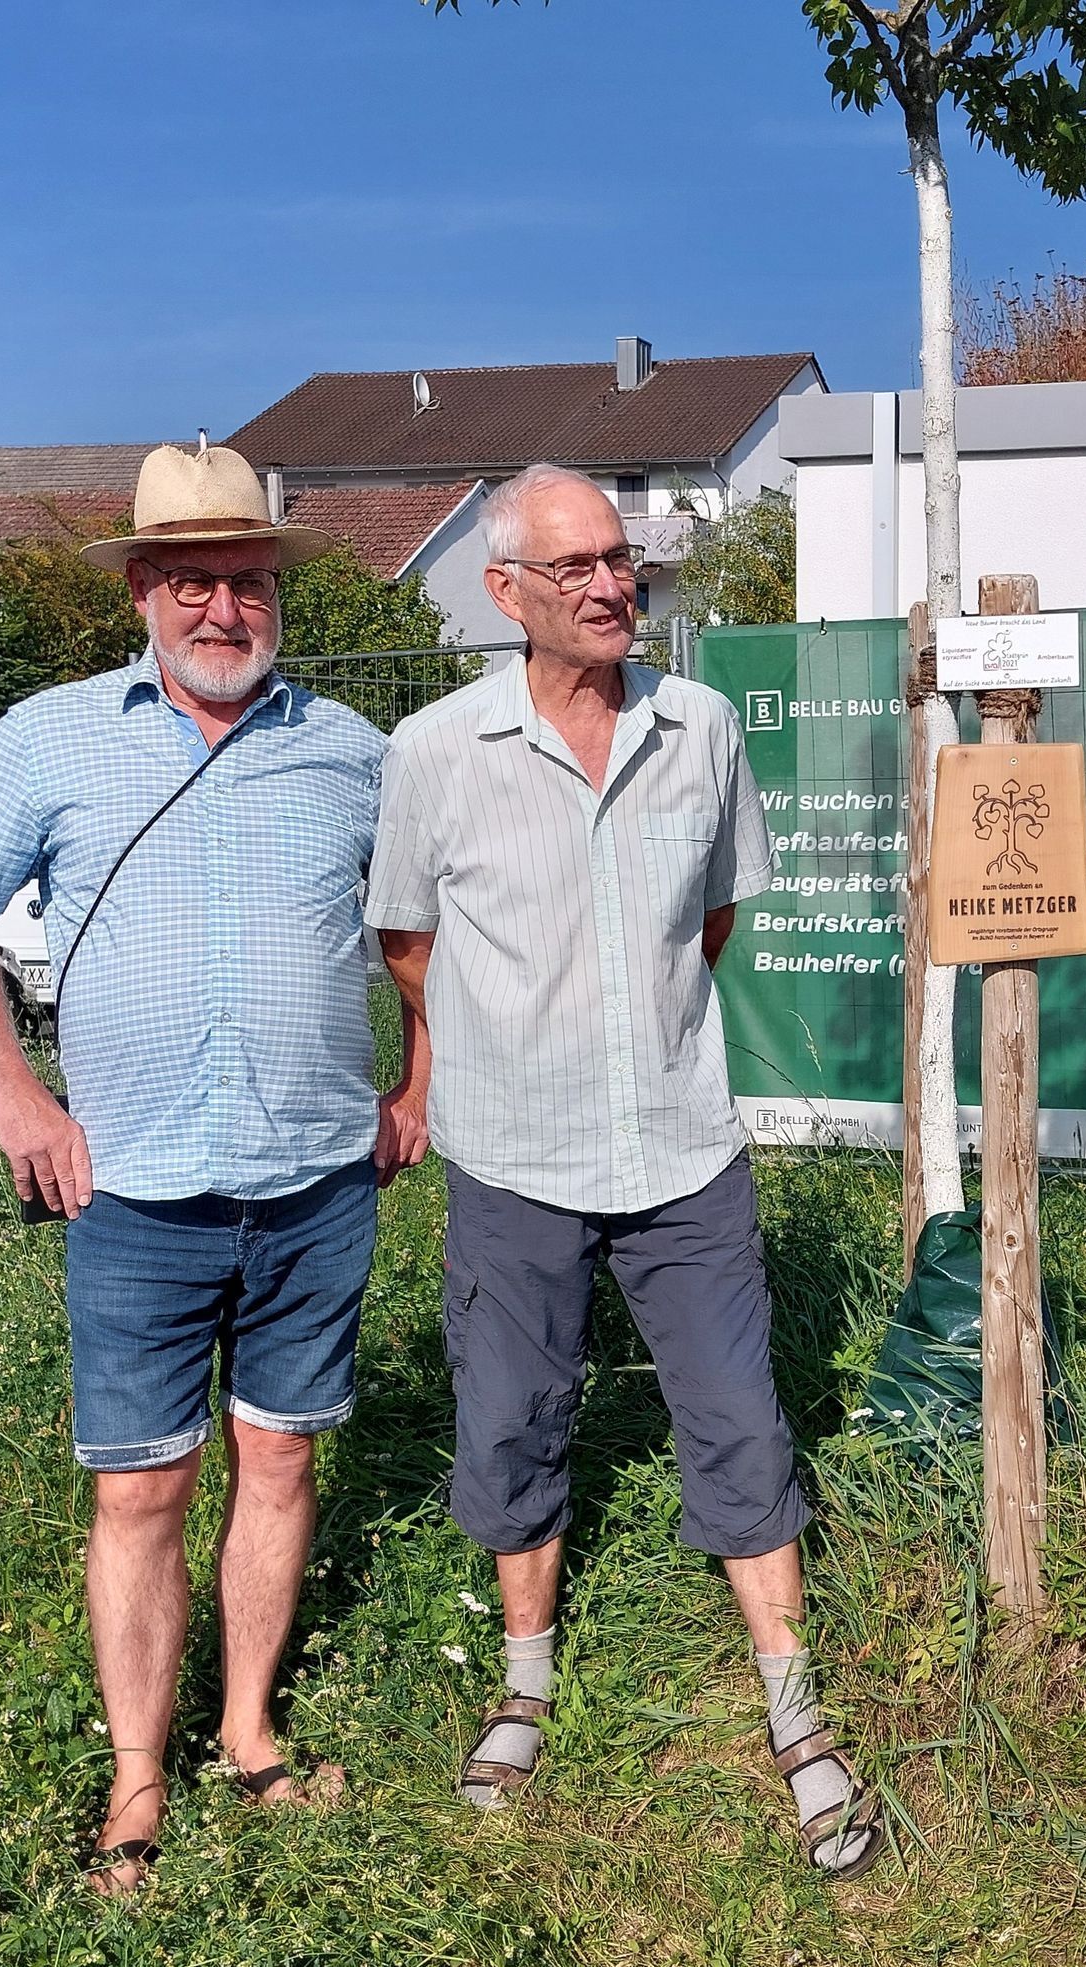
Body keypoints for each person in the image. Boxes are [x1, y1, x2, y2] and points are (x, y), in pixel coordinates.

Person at [365, 463, 881, 1879]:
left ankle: (793, 1704)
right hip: (515, 1152)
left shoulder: (700, 728)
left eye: (621, 559)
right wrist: (485, 1047)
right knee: (513, 1414)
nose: (612, 585)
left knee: (740, 1416)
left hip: (678, 1143)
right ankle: (525, 1681)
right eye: (578, 566)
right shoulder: (434, 754)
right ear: (508, 593)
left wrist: (629, 1021)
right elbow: (408, 941)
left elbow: (707, 916)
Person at [0, 440, 415, 1894]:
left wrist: (419, 1084)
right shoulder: (52, 737)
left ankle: (249, 1734)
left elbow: (412, 939)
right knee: (141, 1492)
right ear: (140, 590)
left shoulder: (353, 753)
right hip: (128, 1190)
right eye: (191, 580)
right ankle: (139, 1776)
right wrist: (15, 1094)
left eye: (247, 581)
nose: (222, 610)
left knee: (282, 1459)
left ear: (279, 595)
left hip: (318, 1183)